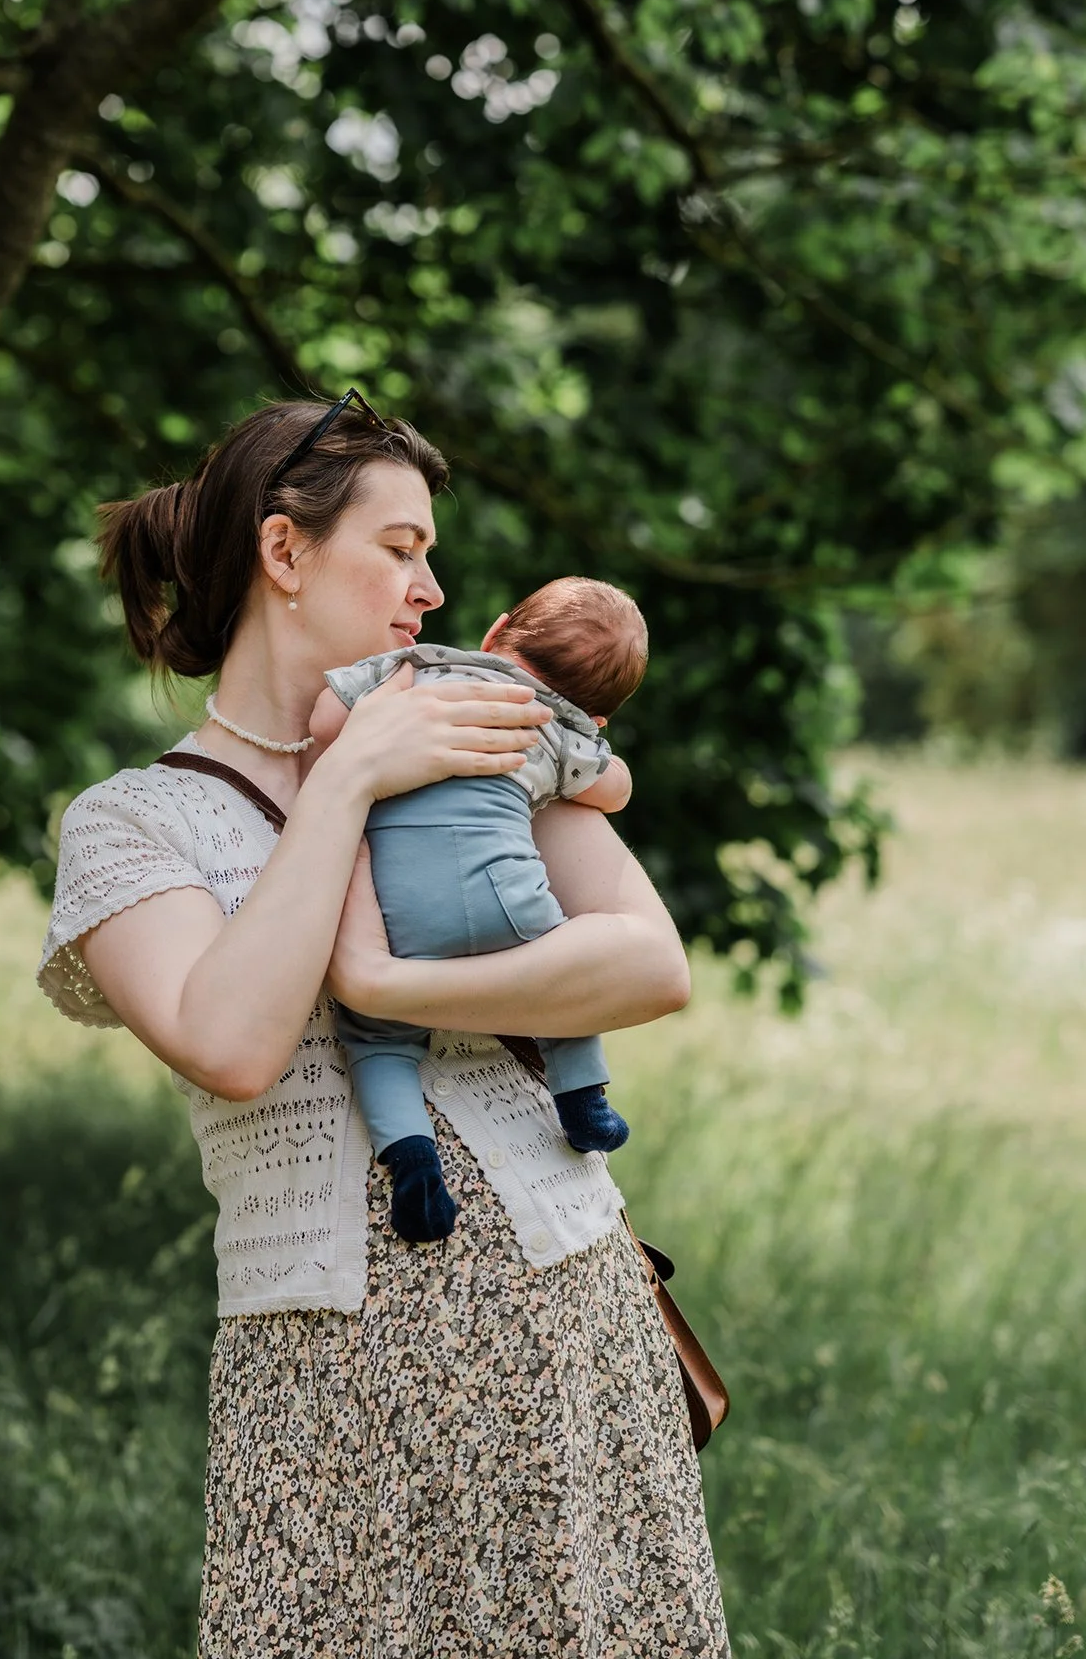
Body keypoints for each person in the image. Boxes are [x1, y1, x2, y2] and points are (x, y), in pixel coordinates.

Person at [37, 390, 731, 1657]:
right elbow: (233, 1044)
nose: (432, 586)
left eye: (430, 553)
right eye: (400, 547)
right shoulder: (135, 824)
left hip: (572, 1327)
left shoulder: (480, 730)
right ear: (284, 553)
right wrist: (349, 771)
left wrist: (390, 988)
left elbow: (647, 965)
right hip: (335, 1386)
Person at [312, 577, 648, 1243]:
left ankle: (414, 1168)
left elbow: (326, 721)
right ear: (598, 714)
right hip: (510, 903)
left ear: (494, 633)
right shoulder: (553, 725)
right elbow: (614, 792)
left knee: (378, 1042)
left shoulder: (417, 671)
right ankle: (583, 1103)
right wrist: (593, 744)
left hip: (401, 916)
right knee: (561, 984)